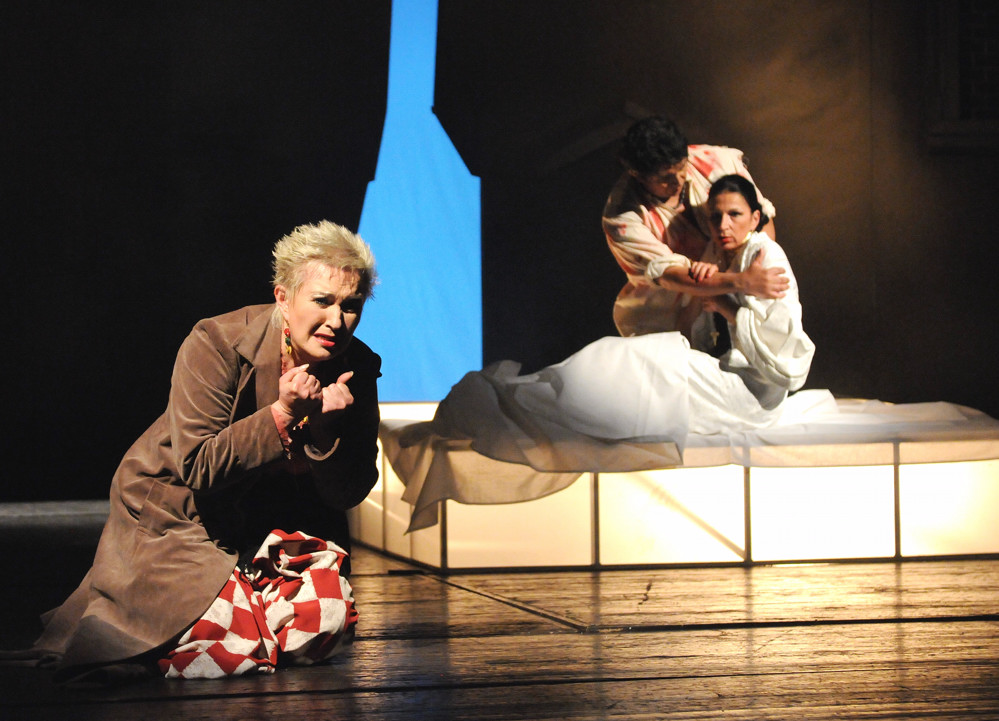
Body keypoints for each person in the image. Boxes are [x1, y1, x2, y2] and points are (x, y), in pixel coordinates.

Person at [19, 221, 381, 683]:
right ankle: (207, 625)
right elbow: (198, 465)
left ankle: (241, 612)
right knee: (231, 643)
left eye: (351, 306)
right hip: (184, 515)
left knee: (322, 627)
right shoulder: (216, 341)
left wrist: (325, 433)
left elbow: (348, 492)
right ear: (283, 298)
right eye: (322, 301)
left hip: (276, 527)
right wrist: (282, 414)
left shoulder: (357, 367)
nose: (336, 320)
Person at [412, 174, 813, 479]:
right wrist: (711, 290)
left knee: (638, 368)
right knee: (629, 361)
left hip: (754, 394)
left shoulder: (766, 257)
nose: (723, 224)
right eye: (716, 216)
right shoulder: (718, 254)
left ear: (756, 217)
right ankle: (530, 398)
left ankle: (529, 404)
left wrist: (726, 304)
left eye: (735, 215)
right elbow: (691, 324)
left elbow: (786, 359)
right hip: (726, 372)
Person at [602, 116, 788, 340]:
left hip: (742, 290)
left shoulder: (714, 161)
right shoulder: (623, 218)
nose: (678, 180)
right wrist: (739, 281)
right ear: (638, 175)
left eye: (682, 167)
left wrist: (753, 273)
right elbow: (672, 276)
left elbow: (760, 219)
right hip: (670, 318)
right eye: (664, 178)